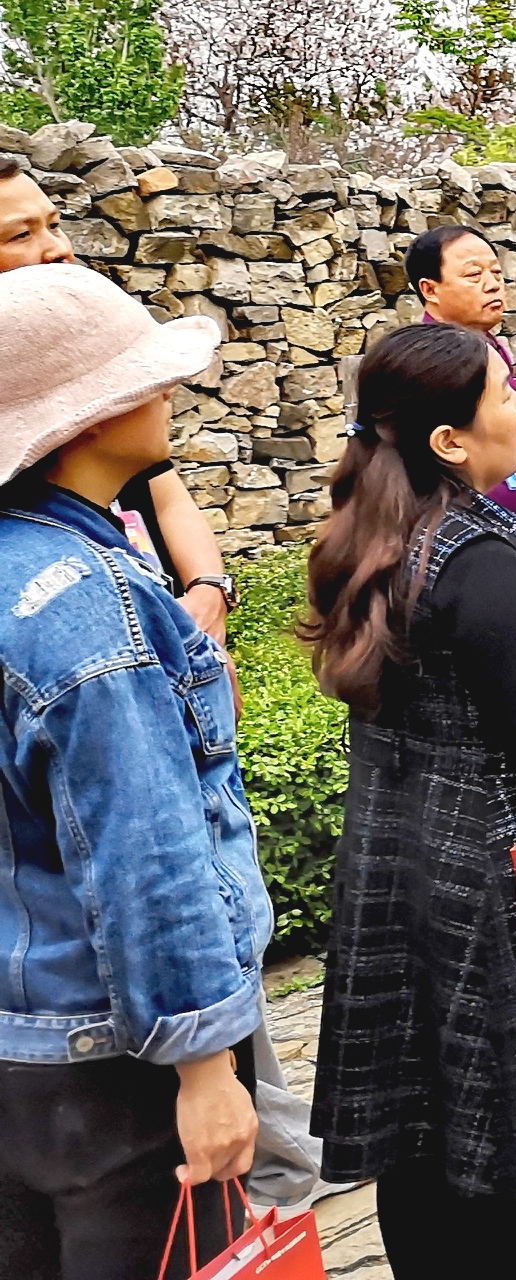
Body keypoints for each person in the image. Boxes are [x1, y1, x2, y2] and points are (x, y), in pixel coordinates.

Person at [303, 324, 516, 1275]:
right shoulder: (477, 556)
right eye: (502, 392)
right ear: (449, 439)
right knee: (480, 1141)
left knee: (424, 1130)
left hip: (395, 865)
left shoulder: (382, 531)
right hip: (482, 878)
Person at [0, 264, 267, 1278]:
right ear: (81, 420)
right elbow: (145, 849)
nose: (166, 393)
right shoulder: (87, 607)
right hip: (111, 1066)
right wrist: (204, 1065)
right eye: (140, 378)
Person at [0, 158, 234, 643]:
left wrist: (207, 592)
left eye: (54, 225)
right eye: (20, 236)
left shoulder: (75, 347)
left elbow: (163, 490)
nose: (58, 250)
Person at [407, 223, 516, 525]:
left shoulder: (490, 348)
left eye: (496, 273)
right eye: (474, 275)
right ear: (430, 289)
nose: (493, 285)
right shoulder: (427, 367)